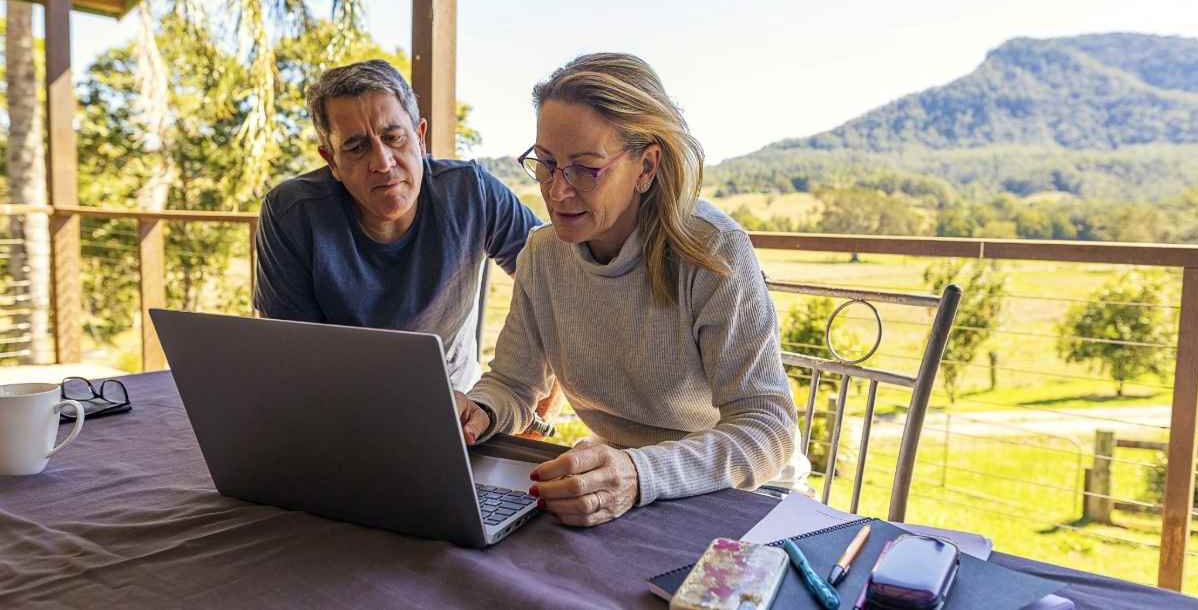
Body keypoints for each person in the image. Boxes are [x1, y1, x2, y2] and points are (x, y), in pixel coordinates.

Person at [456, 53, 800, 526]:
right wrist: (480, 410)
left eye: (586, 168)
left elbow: (767, 430)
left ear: (646, 167)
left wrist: (640, 472)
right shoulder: (543, 253)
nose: (556, 191)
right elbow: (514, 385)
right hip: (618, 488)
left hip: (738, 498)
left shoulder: (712, 251)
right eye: (547, 164)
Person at [254, 60, 541, 392]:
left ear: (420, 138)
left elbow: (558, 281)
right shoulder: (290, 213)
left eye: (393, 137)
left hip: (455, 404)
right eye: (356, 147)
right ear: (331, 160)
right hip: (336, 403)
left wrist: (533, 384)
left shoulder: (471, 191)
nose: (382, 163)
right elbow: (289, 354)